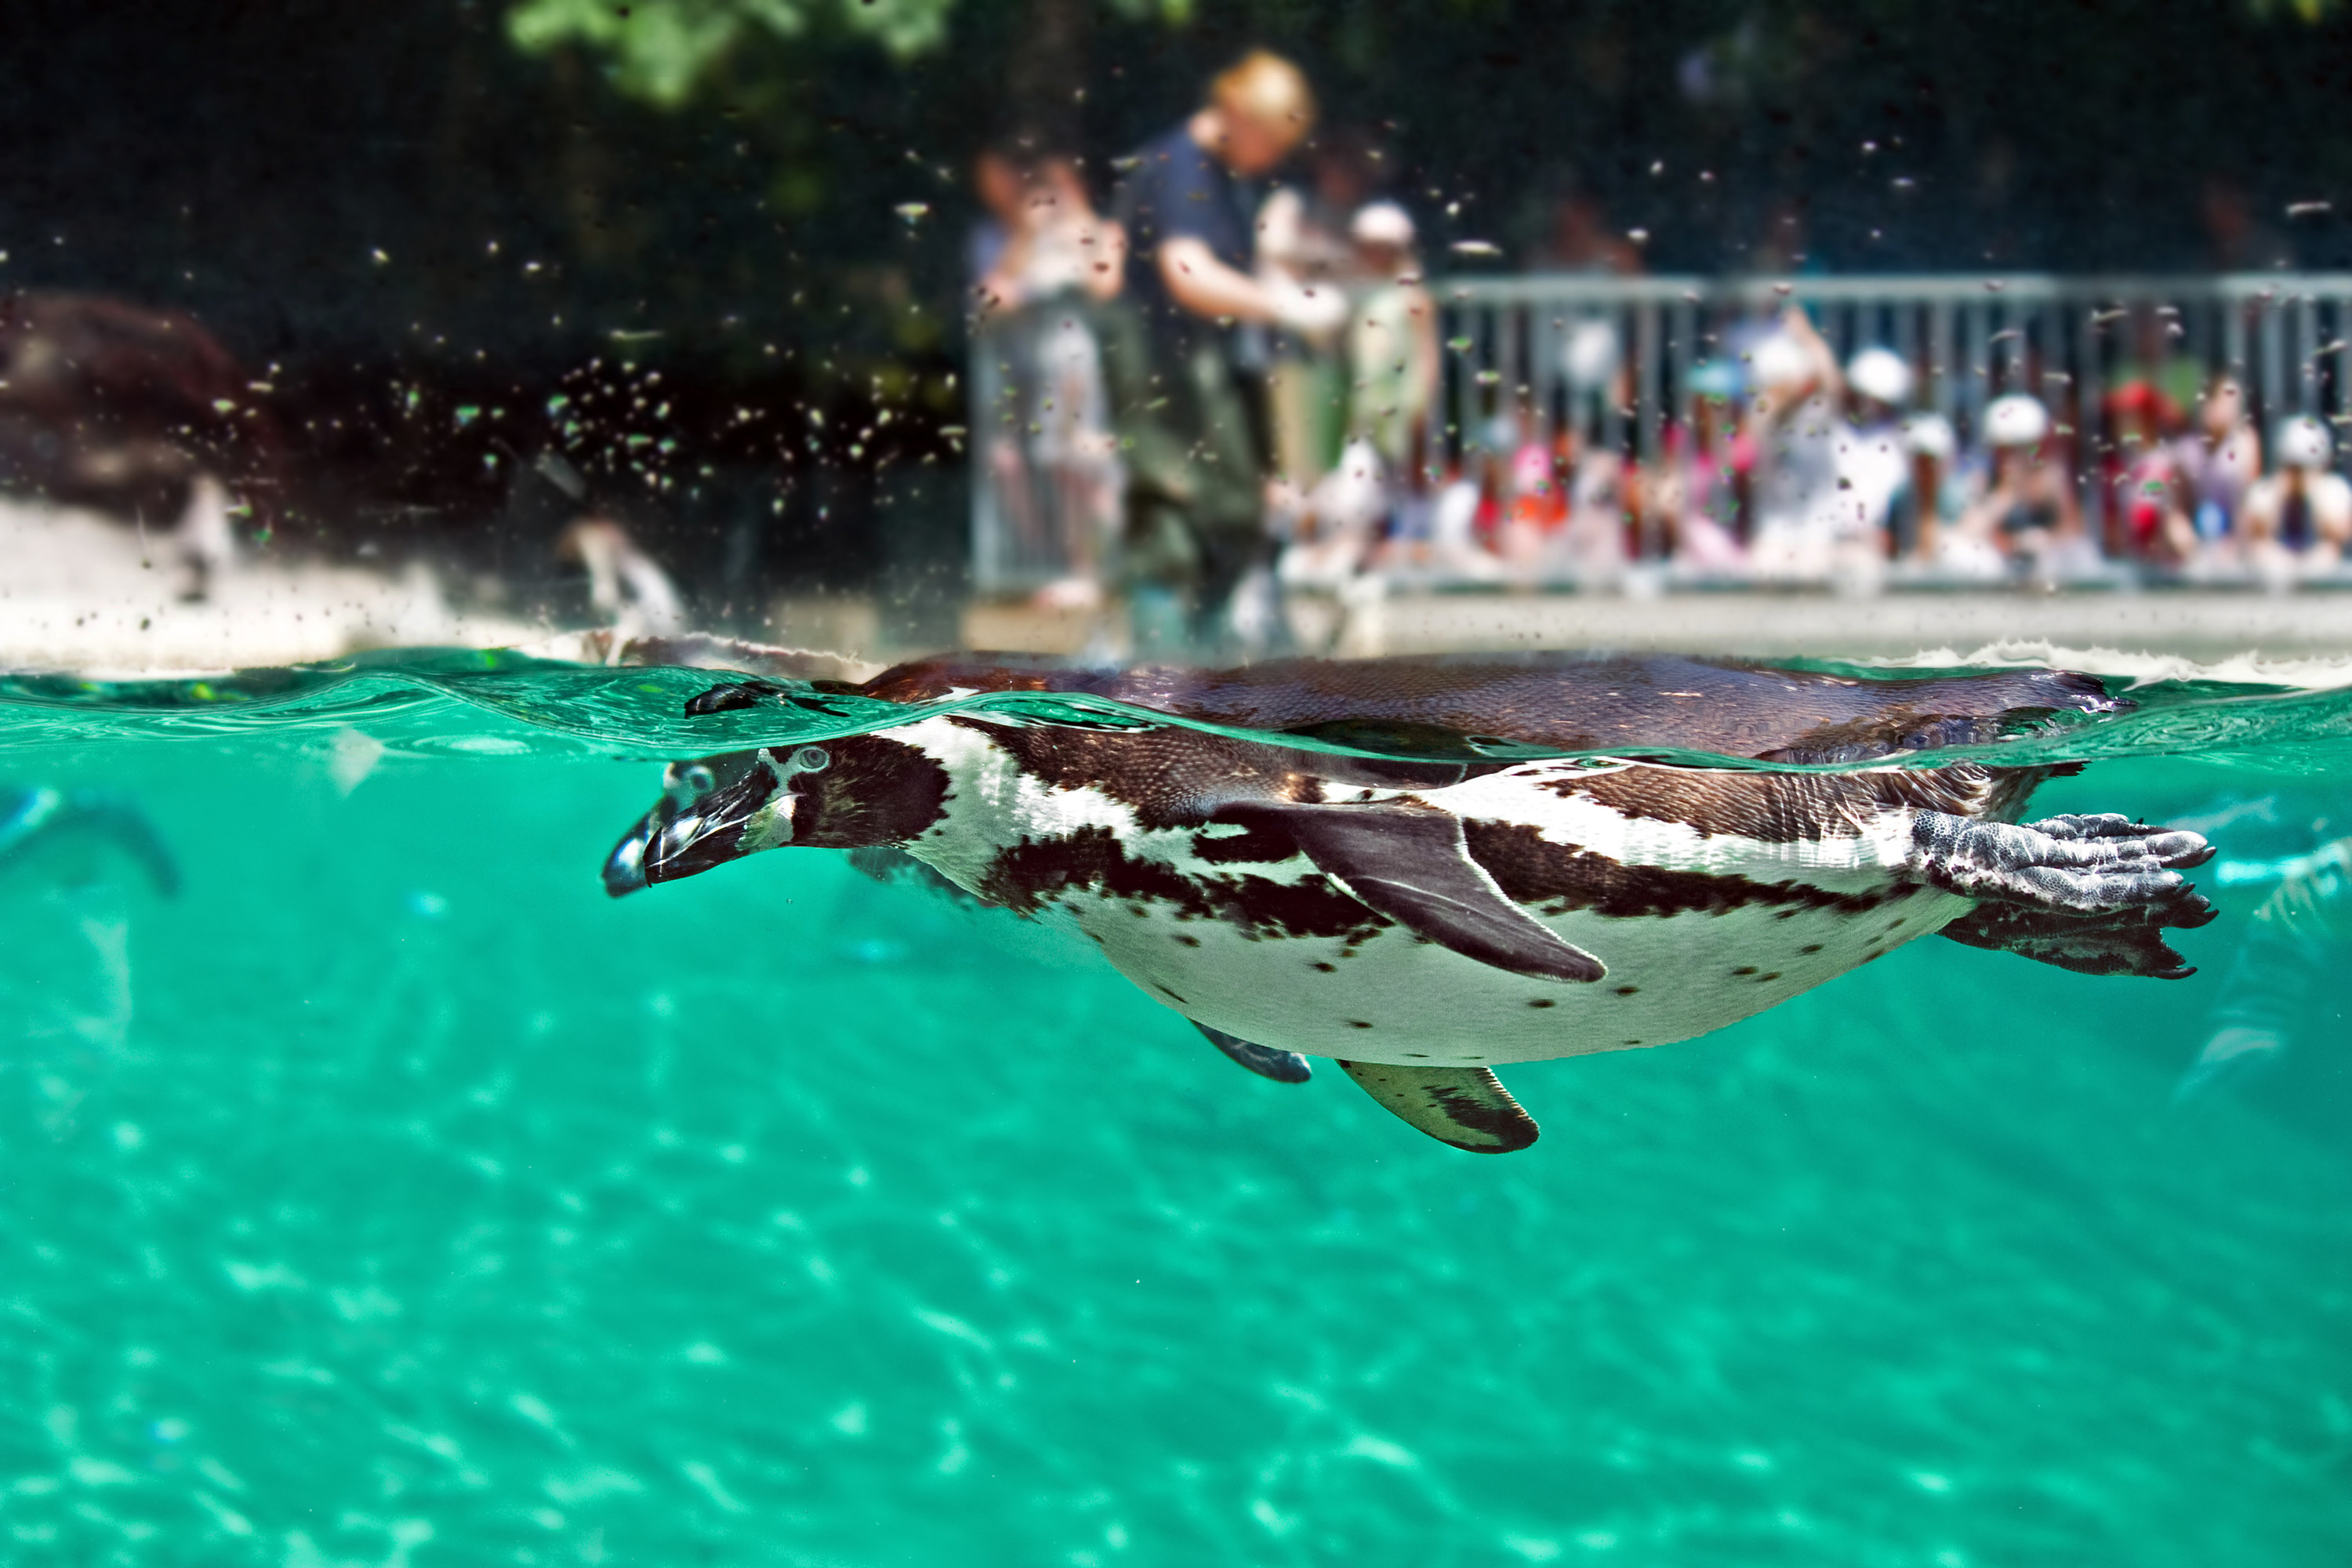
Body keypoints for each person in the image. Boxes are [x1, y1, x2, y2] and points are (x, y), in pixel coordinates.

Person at [1100, 49, 1347, 655]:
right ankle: (1164, 697)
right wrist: (1287, 307)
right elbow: (1188, 274)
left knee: (1234, 521)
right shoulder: (1182, 168)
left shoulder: (1218, 173)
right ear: (1236, 111)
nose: (1274, 155)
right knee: (1170, 536)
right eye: (1270, 137)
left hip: (1190, 371)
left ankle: (1198, 680)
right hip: (1160, 372)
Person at [1946, 394, 2089, 580]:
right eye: (2008, 448)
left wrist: (2043, 540)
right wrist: (2005, 495)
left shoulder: (2051, 480)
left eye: (2023, 446)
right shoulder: (1983, 480)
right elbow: (1968, 532)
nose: (2015, 456)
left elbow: (2072, 532)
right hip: (1999, 574)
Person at [2238, 415, 2352, 577]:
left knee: (2326, 556)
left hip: (2317, 564)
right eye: (2292, 466)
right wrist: (2279, 496)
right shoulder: (2267, 491)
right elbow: (2254, 535)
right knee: (2263, 553)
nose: (2298, 475)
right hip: (2281, 564)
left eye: (2304, 466)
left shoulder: (2334, 490)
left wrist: (2313, 494)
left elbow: (2338, 537)